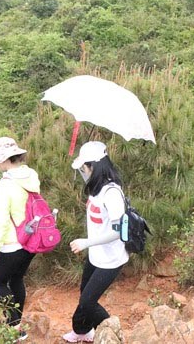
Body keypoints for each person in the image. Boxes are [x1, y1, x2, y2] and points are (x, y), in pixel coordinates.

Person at [64, 141, 128, 343]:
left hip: (111, 259)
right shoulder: (96, 188)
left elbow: (119, 232)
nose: (82, 172)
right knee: (85, 294)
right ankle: (82, 331)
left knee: (88, 302)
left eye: (84, 167)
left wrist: (86, 242)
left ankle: (111, 331)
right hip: (96, 255)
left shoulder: (111, 193)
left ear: (94, 166)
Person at [0, 136, 40, 341]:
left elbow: (1, 220)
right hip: (32, 239)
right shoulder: (31, 175)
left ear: (5, 159)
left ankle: (14, 327)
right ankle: (16, 323)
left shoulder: (5, 184)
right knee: (16, 278)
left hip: (12, 242)